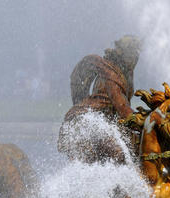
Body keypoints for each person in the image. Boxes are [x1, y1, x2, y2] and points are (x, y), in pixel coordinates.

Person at [58, 35, 142, 164]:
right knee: (118, 154)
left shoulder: (125, 73)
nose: (136, 58)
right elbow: (123, 108)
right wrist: (149, 121)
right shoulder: (111, 76)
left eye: (137, 54)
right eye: (133, 54)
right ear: (123, 54)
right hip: (87, 121)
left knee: (133, 149)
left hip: (103, 121)